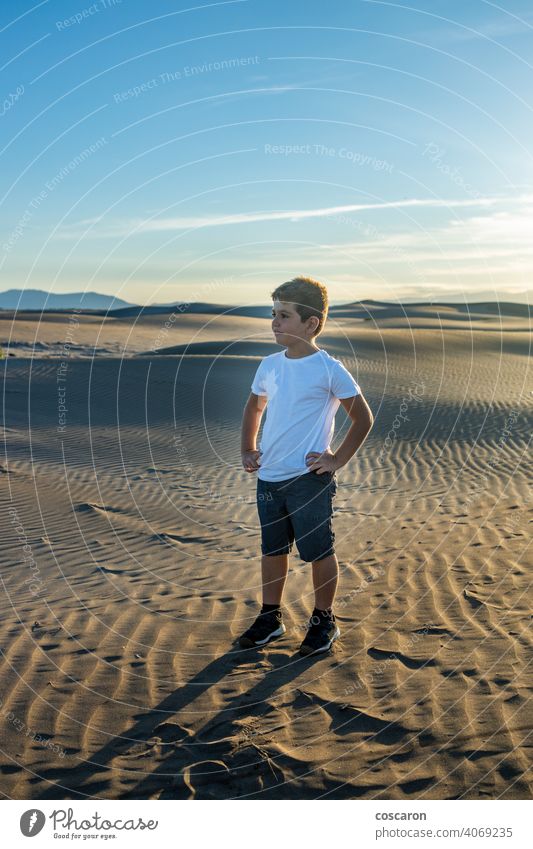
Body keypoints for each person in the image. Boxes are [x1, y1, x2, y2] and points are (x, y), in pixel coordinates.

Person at [239, 276, 374, 656]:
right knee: (272, 550)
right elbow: (254, 406)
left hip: (308, 479)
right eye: (273, 314)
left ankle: (323, 620)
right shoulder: (269, 364)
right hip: (269, 476)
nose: (274, 322)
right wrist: (248, 448)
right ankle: (270, 618)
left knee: (318, 552)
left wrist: (336, 460)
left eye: (284, 315)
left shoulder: (329, 369)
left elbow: (363, 419)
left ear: (311, 323)